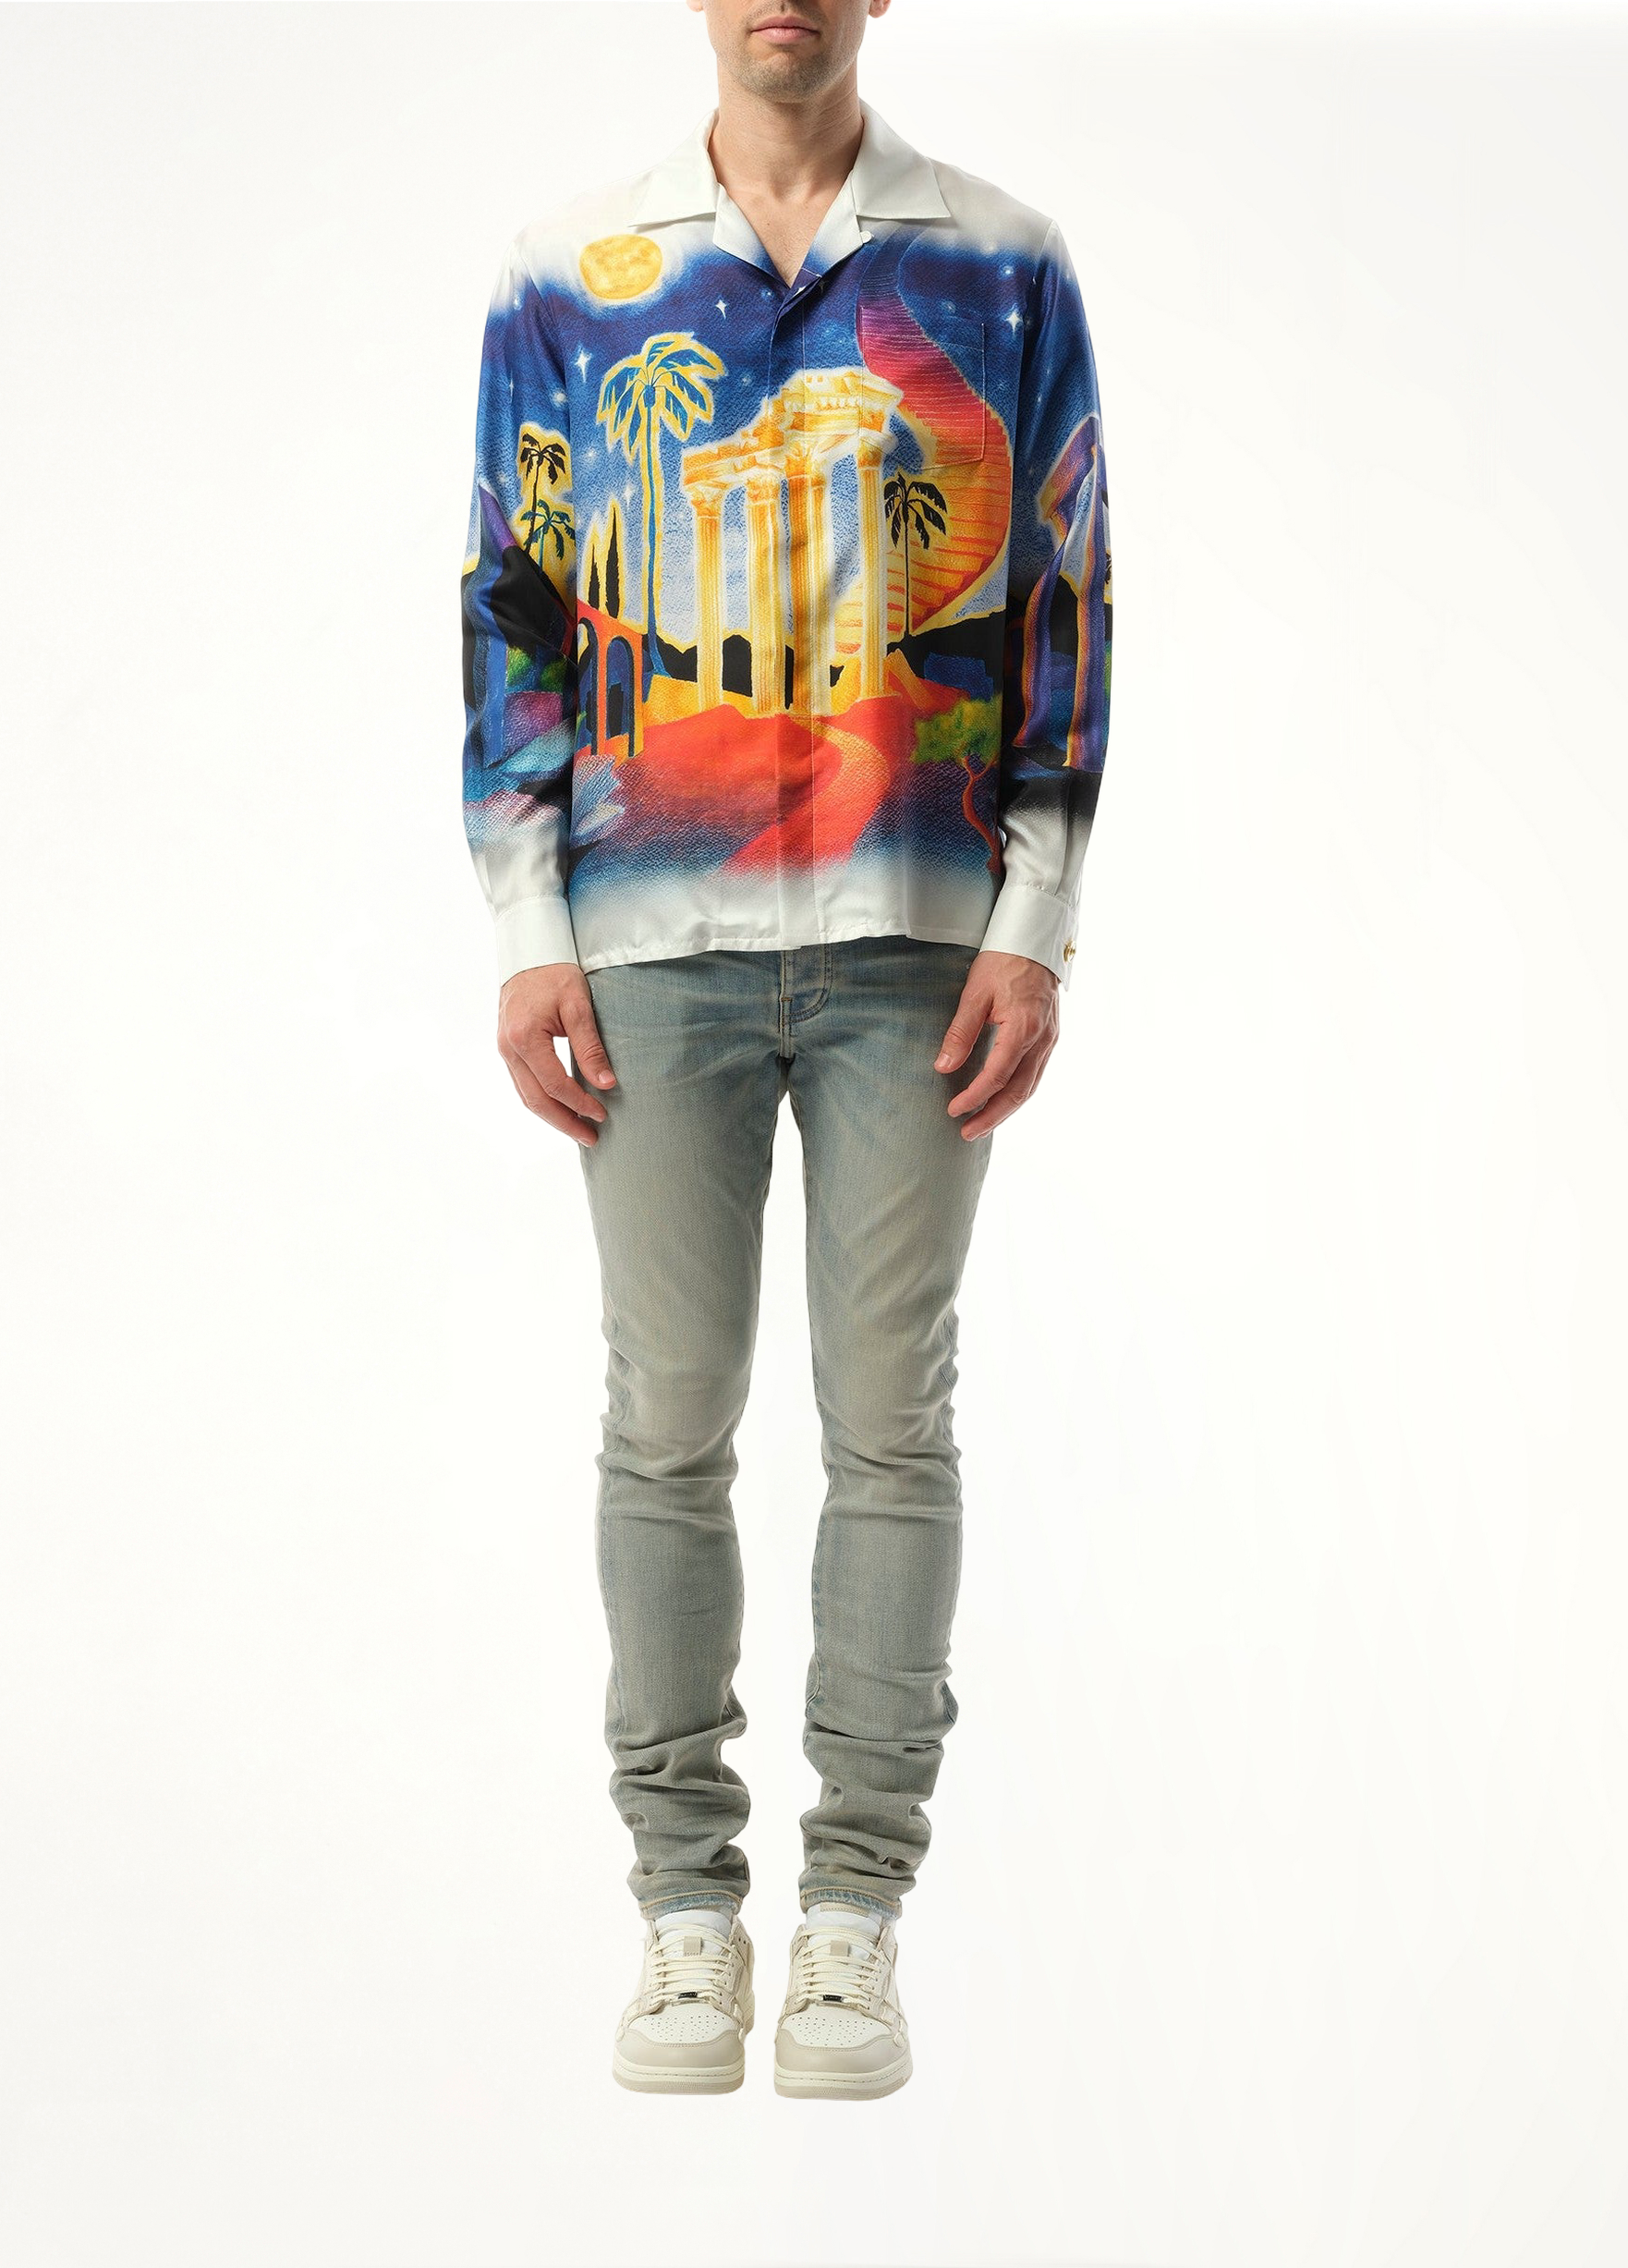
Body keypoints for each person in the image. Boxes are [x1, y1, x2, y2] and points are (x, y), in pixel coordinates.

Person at [459, 0, 1112, 2100]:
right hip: (648, 944)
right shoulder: (570, 274)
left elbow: (1062, 596)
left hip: (917, 934)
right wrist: (526, 926)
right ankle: (682, 1907)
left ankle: (851, 1917)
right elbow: (512, 605)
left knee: (889, 1423)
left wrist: (1033, 914)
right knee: (665, 1421)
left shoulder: (997, 261)